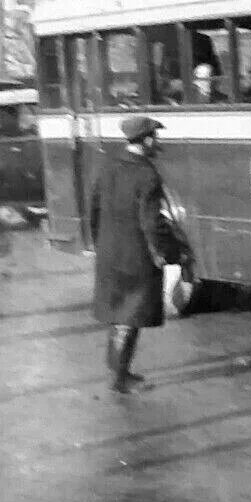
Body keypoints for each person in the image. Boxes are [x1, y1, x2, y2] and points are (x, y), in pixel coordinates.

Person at [89, 115, 183, 392]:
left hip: (109, 254)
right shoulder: (147, 174)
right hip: (136, 257)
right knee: (129, 316)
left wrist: (100, 244)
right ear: (147, 140)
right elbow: (151, 222)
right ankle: (120, 378)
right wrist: (163, 253)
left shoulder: (108, 167)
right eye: (156, 137)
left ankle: (118, 371)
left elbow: (93, 210)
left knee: (119, 315)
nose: (158, 142)